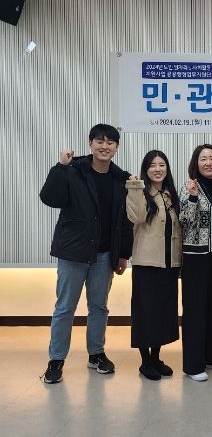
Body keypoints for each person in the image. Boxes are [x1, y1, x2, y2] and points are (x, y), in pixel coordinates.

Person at [40, 124, 133, 384]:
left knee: (99, 307)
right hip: (73, 252)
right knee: (65, 308)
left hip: (104, 254)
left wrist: (123, 254)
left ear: (116, 147)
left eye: (110, 142)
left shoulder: (120, 178)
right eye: (99, 141)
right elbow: (50, 198)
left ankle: (96, 354)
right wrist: (60, 167)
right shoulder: (73, 170)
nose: (104, 146)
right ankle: (56, 360)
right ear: (90, 143)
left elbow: (124, 220)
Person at [179, 144, 212, 382]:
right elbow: (184, 220)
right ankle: (193, 365)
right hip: (196, 257)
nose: (209, 163)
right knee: (195, 311)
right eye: (203, 159)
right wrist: (192, 197)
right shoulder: (189, 187)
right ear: (196, 163)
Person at [126, 150, 181, 381]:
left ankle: (156, 357)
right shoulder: (139, 192)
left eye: (162, 165)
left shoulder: (171, 195)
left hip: (169, 264)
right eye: (152, 165)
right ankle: (145, 361)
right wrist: (135, 187)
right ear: (145, 170)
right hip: (146, 263)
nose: (158, 169)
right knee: (145, 313)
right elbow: (136, 217)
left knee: (163, 312)